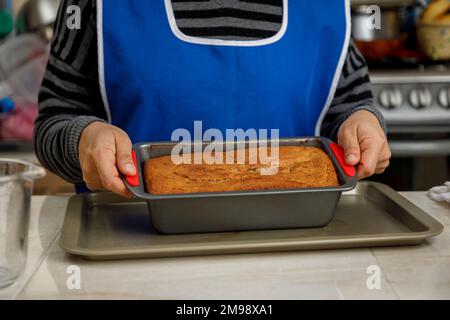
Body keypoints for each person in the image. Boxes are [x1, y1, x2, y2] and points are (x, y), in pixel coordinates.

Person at [35, 0, 391, 197]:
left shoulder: (324, 7)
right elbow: (56, 119)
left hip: (294, 248)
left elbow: (347, 108)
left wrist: (362, 123)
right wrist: (81, 140)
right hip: (130, 243)